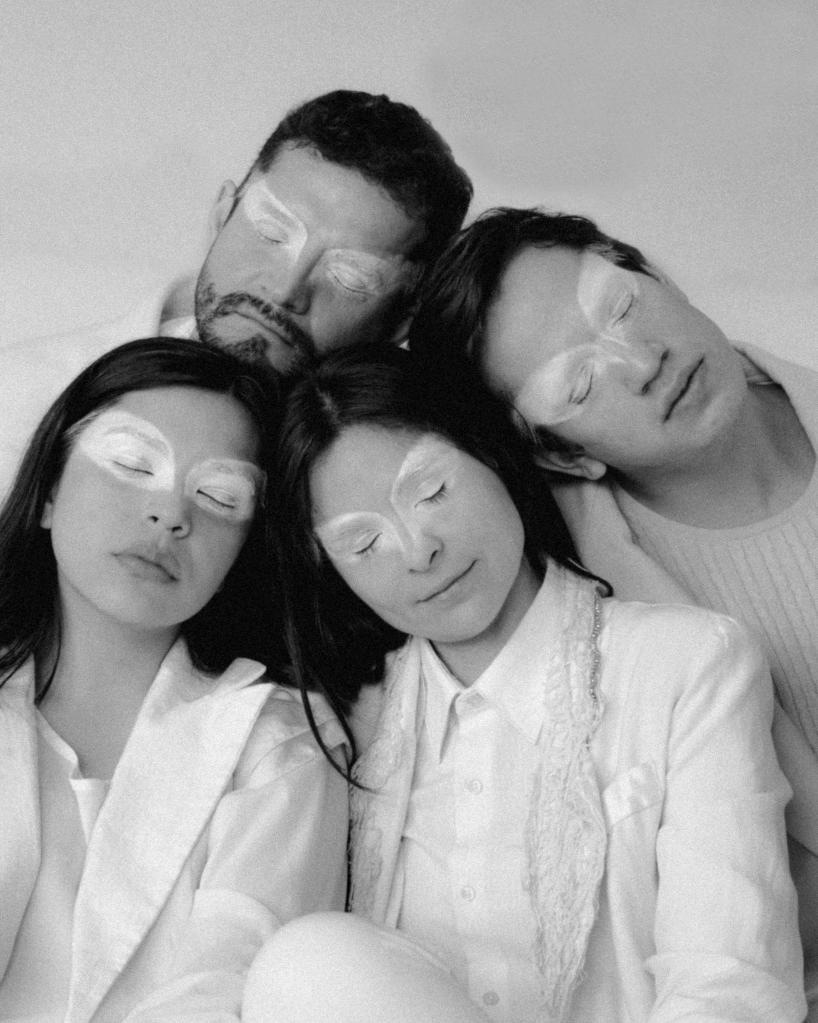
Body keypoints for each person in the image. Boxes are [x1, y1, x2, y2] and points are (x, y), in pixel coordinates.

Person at [241, 346, 804, 1023]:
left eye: (433, 491)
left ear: (492, 454)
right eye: (363, 545)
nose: (419, 551)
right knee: (305, 961)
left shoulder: (686, 663)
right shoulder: (348, 732)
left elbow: (732, 984)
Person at [409, 206, 818, 997]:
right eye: (581, 383)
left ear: (655, 275)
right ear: (563, 455)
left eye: (623, 305)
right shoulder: (589, 616)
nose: (643, 360)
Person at [0, 338, 349, 1022]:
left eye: (220, 496)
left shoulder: (276, 744)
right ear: (47, 493)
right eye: (133, 464)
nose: (171, 515)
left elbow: (229, 987)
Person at [0, 89, 472, 498]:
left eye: (350, 277)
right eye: (271, 231)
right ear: (222, 215)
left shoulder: (413, 484)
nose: (284, 290)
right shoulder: (17, 401)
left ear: (401, 323)